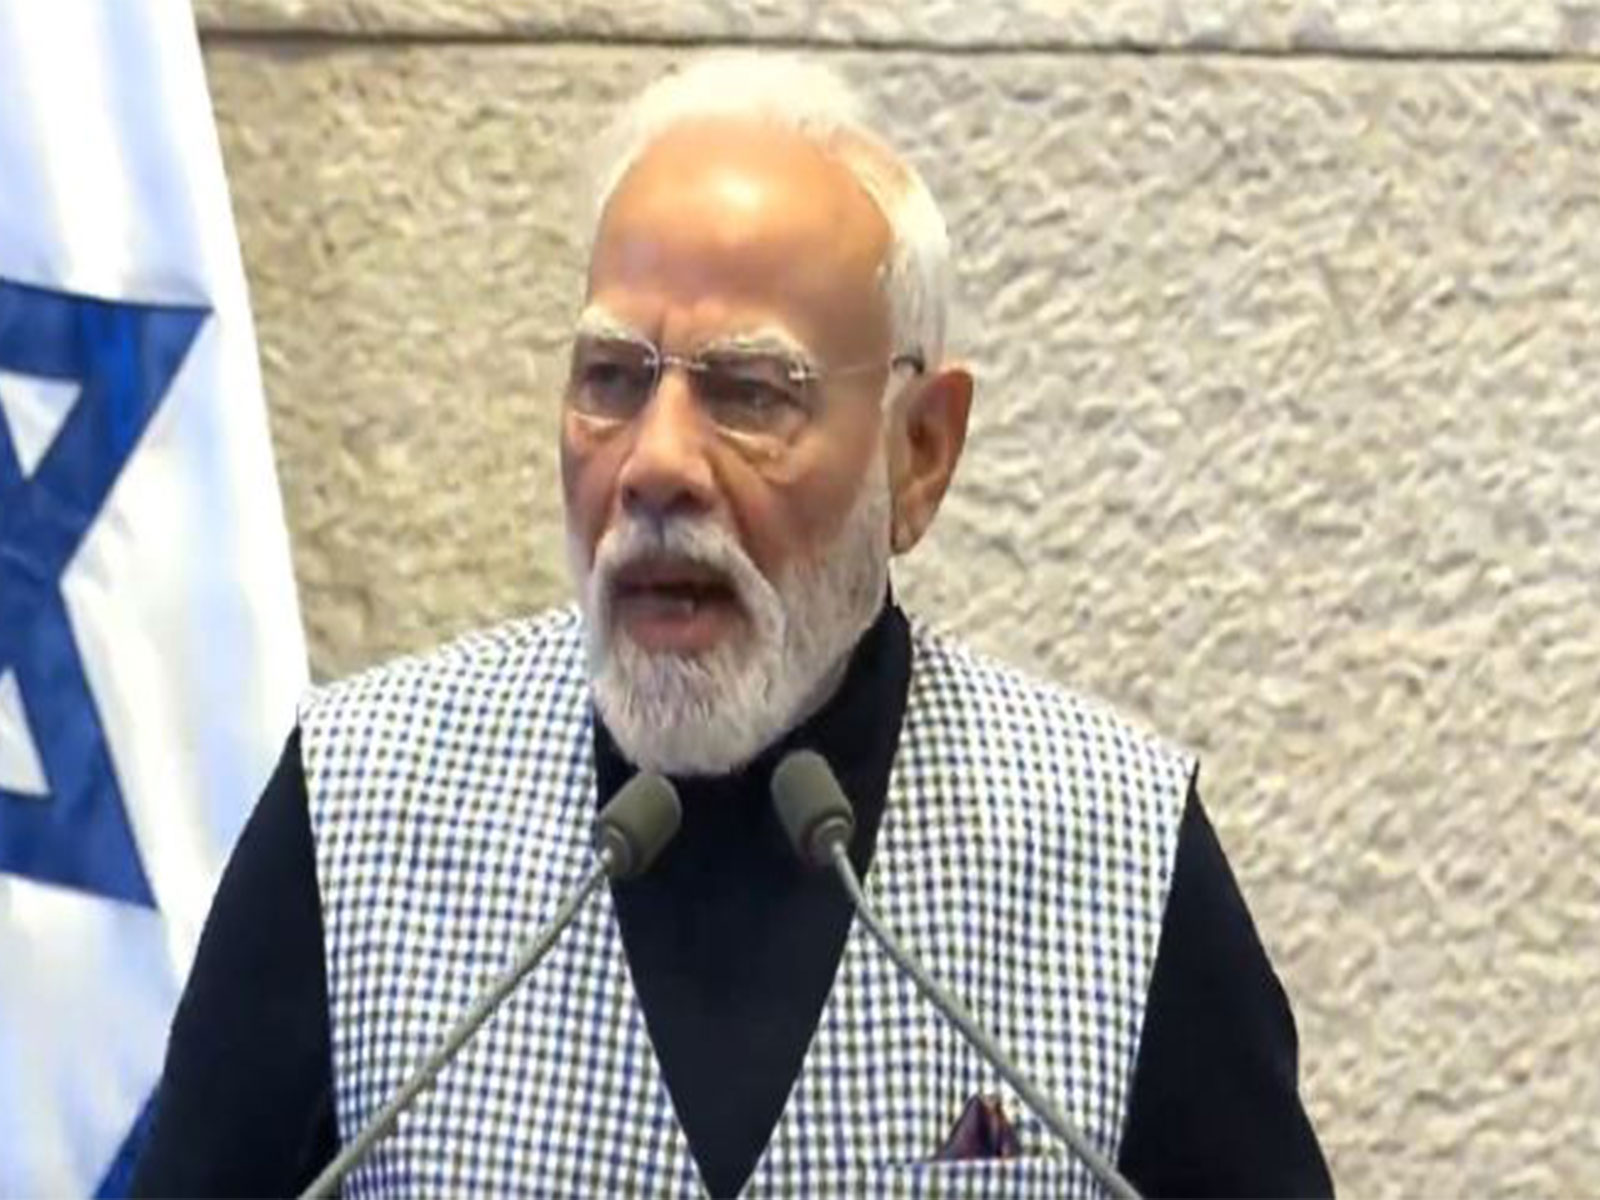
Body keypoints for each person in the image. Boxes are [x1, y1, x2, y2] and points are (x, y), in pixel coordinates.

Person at [131, 53, 1332, 1198]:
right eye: (610, 377)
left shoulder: (1114, 848)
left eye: (751, 392)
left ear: (920, 452)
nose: (655, 464)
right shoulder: (362, 805)